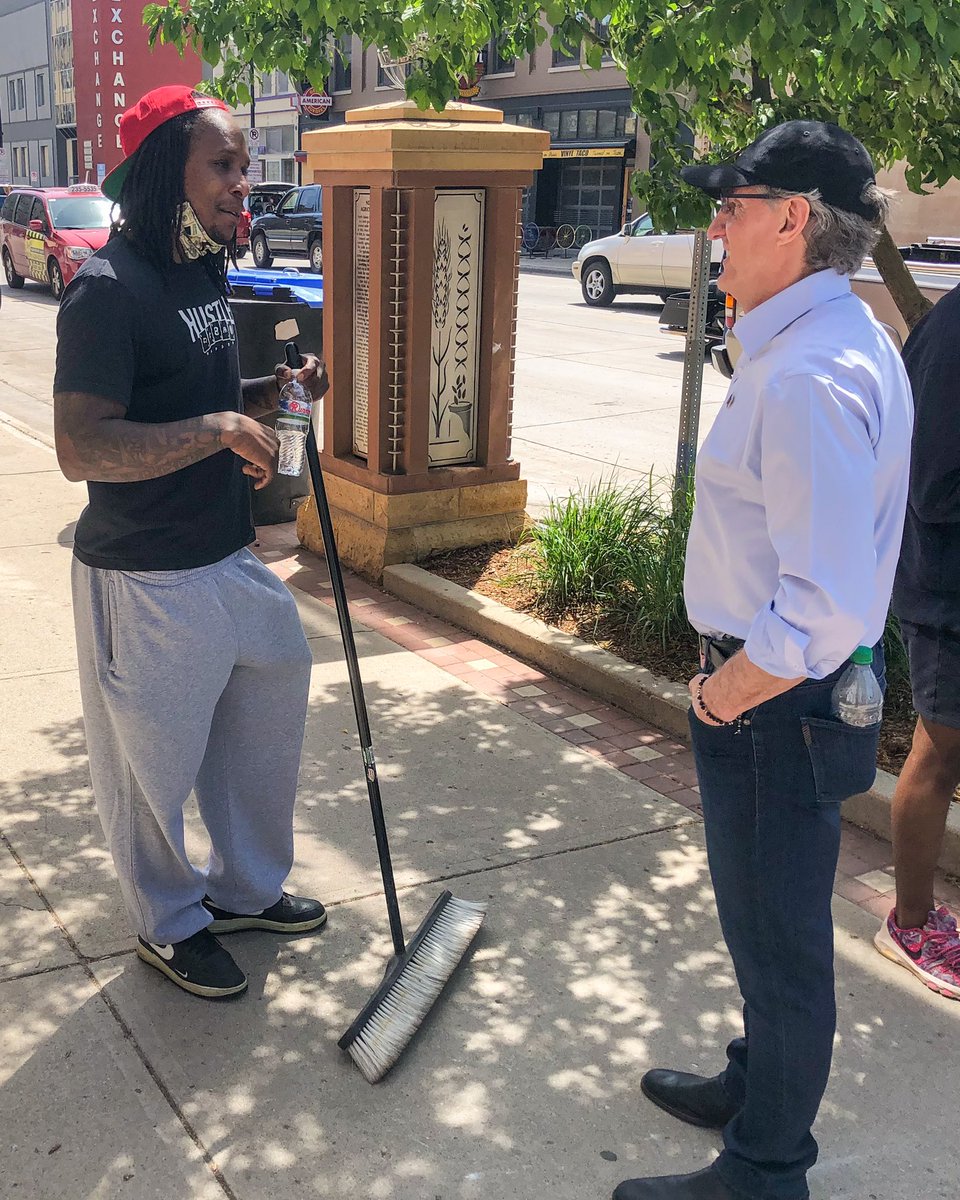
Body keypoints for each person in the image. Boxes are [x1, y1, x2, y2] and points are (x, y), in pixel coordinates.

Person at [613, 121, 913, 1200]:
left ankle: (766, 1167)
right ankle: (758, 1085)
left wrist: (722, 695)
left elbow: (819, 603)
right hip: (790, 697)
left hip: (775, 699)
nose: (714, 230)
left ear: (793, 220)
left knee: (780, 941)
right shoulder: (829, 336)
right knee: (762, 921)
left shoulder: (808, 375)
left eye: (730, 209)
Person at [53, 85, 329, 1001]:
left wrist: (271, 395)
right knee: (153, 771)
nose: (242, 182)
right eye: (224, 164)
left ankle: (244, 891)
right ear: (165, 170)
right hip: (145, 575)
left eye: (245, 165)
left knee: (273, 693)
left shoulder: (204, 271)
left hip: (226, 553)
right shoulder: (105, 291)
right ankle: (168, 924)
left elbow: (192, 398)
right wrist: (218, 429)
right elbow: (81, 446)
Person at [874, 285, 960, 1000]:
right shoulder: (955, 332)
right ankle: (909, 924)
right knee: (940, 754)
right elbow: (933, 485)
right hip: (947, 594)